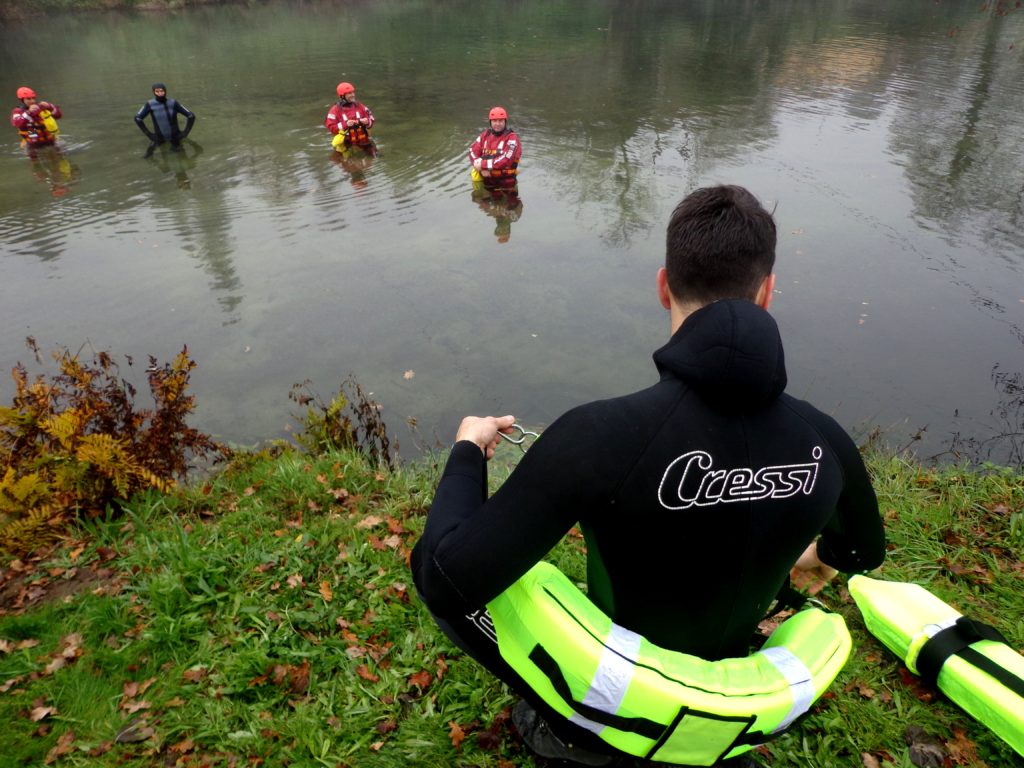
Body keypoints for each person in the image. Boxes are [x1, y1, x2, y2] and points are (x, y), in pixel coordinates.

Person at [411, 185, 886, 767]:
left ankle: (568, 734)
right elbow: (863, 551)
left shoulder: (599, 434)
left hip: (610, 707)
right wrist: (815, 556)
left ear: (664, 285)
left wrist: (466, 451)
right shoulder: (826, 440)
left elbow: (443, 578)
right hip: (733, 696)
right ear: (767, 293)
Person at [468, 106, 521, 190]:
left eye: (500, 121)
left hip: (507, 183)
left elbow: (506, 159)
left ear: (505, 122)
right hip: (488, 181)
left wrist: (483, 165)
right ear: (490, 122)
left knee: (510, 203)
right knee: (479, 200)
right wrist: (479, 168)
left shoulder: (512, 138)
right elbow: (472, 151)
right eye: (494, 121)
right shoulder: (485, 135)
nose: (497, 124)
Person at [135, 83, 195, 151]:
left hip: (175, 137)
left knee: (180, 157)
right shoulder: (150, 104)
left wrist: (185, 133)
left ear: (165, 91)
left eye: (161, 91)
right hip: (159, 137)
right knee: (148, 156)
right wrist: (149, 135)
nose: (160, 93)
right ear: (154, 92)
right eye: (157, 91)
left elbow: (191, 116)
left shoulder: (173, 103)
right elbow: (137, 118)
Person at [324, 82, 375, 153]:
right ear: (342, 96)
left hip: (364, 141)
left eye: (353, 92)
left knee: (376, 158)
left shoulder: (360, 106)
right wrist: (346, 124)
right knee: (342, 162)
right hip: (346, 144)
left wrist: (367, 121)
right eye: (349, 93)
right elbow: (331, 127)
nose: (353, 95)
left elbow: (371, 119)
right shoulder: (334, 110)